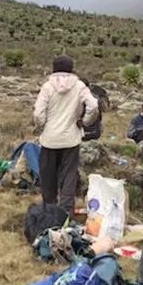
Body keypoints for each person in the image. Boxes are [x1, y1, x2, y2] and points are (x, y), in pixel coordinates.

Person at [33, 56, 98, 213]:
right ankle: (66, 213)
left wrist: (41, 126)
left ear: (54, 68)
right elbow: (94, 105)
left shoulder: (47, 87)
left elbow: (38, 113)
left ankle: (49, 210)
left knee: (48, 177)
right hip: (71, 139)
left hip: (50, 139)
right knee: (69, 176)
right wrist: (85, 121)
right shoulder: (79, 86)